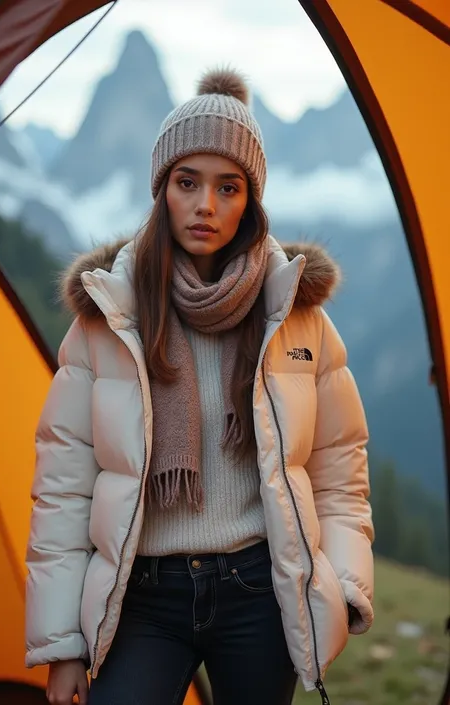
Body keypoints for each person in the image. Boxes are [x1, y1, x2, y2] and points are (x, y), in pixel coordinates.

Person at [25, 68, 374, 705]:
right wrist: (62, 645)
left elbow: (339, 468)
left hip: (260, 596)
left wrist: (344, 587)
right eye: (188, 183)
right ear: (162, 190)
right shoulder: (109, 316)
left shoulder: (294, 313)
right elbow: (63, 486)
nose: (206, 205)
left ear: (251, 200)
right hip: (142, 598)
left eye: (228, 187)